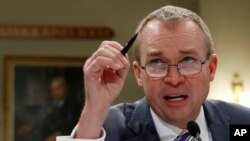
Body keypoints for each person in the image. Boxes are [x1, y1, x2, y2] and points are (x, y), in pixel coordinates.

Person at [57, 5, 250, 141]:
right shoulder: (107, 128)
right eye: (157, 62)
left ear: (211, 68)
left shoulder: (243, 123)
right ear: (139, 74)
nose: (174, 79)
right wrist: (94, 108)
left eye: (188, 60)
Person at [42, 77, 81, 141]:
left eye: (58, 88)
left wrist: (59, 135)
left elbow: (72, 124)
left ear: (65, 88)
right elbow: (44, 123)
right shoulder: (49, 105)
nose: (55, 92)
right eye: (52, 90)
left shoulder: (72, 105)